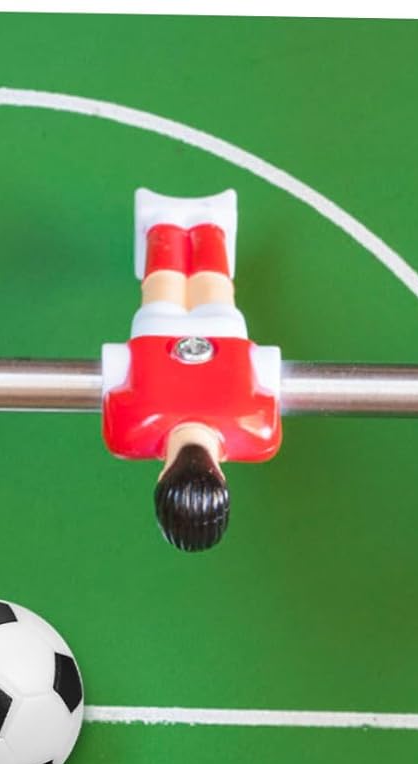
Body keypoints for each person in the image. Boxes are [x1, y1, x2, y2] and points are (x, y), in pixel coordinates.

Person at [100, 189, 282, 551]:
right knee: (163, 287)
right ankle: (162, 227)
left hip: (224, 331)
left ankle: (209, 227)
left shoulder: (259, 433)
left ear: (223, 481)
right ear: (161, 479)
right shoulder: (127, 433)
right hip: (156, 332)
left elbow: (266, 364)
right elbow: (115, 367)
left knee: (214, 288)